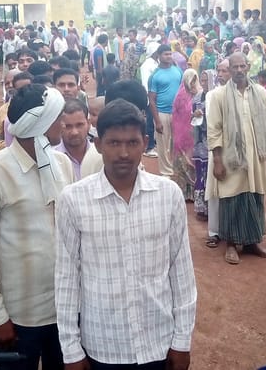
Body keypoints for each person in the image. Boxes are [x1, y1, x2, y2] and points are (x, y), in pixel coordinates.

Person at [55, 99, 196, 370]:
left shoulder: (168, 195)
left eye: (132, 143)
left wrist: (182, 341)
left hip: (158, 340)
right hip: (104, 346)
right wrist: (71, 350)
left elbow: (181, 272)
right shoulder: (73, 200)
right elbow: (67, 277)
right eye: (114, 143)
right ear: (98, 144)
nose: (123, 153)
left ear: (145, 143)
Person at [0, 85, 71, 370]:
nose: (63, 122)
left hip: (64, 309)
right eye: (58, 116)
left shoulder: (61, 164)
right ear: (40, 123)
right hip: (19, 317)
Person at [207, 52, 266, 265]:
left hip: (256, 155)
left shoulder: (260, 93)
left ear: (248, 67)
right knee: (231, 198)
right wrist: (217, 161)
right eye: (234, 67)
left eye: (242, 66)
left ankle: (251, 243)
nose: (238, 70)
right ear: (229, 70)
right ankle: (230, 244)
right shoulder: (219, 95)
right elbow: (214, 129)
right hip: (231, 157)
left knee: (254, 196)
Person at [149, 45, 183, 178]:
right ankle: (166, 172)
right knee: (163, 144)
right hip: (162, 113)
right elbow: (152, 100)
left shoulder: (178, 71)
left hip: (177, 113)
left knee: (177, 142)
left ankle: (177, 169)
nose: (169, 56)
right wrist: (157, 121)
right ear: (159, 56)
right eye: (165, 54)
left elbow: (183, 91)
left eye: (170, 54)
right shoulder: (154, 76)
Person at [171, 69, 201, 200]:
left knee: (193, 161)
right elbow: (181, 114)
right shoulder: (181, 95)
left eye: (195, 80)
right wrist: (193, 114)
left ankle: (193, 192)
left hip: (194, 134)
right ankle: (183, 192)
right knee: (182, 162)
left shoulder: (199, 93)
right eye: (191, 80)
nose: (193, 83)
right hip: (181, 133)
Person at [54, 99, 94, 180]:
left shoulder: (99, 154)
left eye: (79, 125)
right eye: (68, 126)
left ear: (89, 124)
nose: (74, 132)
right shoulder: (52, 158)